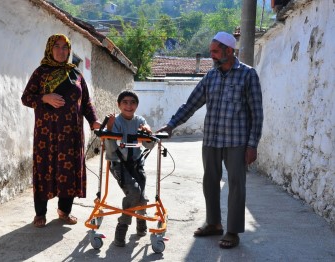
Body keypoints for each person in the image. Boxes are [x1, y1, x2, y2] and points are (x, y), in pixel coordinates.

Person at [157, 32, 264, 249]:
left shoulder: (247, 75)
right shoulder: (211, 76)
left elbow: (257, 113)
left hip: (237, 141)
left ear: (229, 51)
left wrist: (252, 145)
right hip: (212, 139)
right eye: (211, 51)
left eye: (215, 51)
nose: (212, 55)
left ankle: (233, 231)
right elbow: (191, 104)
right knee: (210, 182)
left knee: (236, 185)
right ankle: (214, 223)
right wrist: (170, 125)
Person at [21, 34, 101, 228]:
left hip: (71, 133)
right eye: (57, 46)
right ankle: (40, 213)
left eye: (65, 47)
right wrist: (44, 98)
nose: (61, 50)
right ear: (50, 48)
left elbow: (86, 104)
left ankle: (64, 211)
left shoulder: (76, 75)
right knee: (44, 169)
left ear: (69, 50)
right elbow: (26, 98)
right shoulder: (41, 72)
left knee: (69, 170)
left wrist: (94, 121)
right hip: (46, 133)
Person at [104, 90, 155, 247]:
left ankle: (141, 219)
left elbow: (149, 143)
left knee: (141, 192)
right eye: (125, 102)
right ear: (119, 105)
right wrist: (110, 129)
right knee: (134, 192)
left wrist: (147, 131)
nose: (128, 105)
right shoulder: (115, 122)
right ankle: (122, 226)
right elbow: (109, 146)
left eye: (132, 102)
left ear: (137, 106)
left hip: (136, 162)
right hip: (118, 163)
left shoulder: (140, 120)